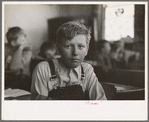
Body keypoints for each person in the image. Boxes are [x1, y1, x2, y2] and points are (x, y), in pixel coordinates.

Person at [31, 21, 107, 100]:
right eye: (68, 46)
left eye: (80, 46)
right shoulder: (44, 69)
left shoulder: (87, 69)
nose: (75, 53)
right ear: (58, 48)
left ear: (87, 50)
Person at [5, 27, 32, 91]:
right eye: (23, 40)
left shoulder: (27, 51)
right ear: (13, 43)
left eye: (25, 39)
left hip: (23, 80)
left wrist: (20, 48)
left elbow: (14, 68)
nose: (26, 42)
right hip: (8, 79)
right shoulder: (6, 49)